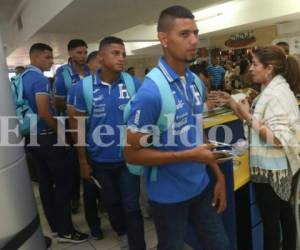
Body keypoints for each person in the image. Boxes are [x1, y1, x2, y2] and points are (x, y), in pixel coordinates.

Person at [124, 6, 230, 250]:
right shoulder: (150, 93)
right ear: (163, 39)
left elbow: (197, 130)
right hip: (167, 197)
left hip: (201, 187)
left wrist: (218, 175)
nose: (194, 41)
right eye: (184, 34)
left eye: (195, 33)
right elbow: (131, 153)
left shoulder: (194, 81)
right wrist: (188, 156)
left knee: (221, 245)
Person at [217, 45, 300, 250]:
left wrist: (246, 115)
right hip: (275, 167)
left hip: (272, 170)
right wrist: (233, 104)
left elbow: (277, 138)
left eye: (255, 64)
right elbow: (255, 123)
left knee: (273, 225)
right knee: (284, 217)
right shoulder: (272, 89)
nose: (251, 68)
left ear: (269, 68)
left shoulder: (275, 94)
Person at [75, 36, 146, 250]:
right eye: (116, 53)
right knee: (112, 204)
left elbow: (146, 115)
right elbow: (77, 127)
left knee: (132, 206)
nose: (122, 58)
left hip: (128, 159)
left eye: (124, 54)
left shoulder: (133, 83)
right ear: (101, 56)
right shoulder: (83, 87)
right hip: (100, 161)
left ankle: (137, 245)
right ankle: (122, 233)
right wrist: (83, 162)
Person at [23, 43, 88, 243]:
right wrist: (62, 135)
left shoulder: (21, 78)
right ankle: (66, 230)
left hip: (31, 136)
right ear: (34, 58)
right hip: (47, 137)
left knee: (45, 184)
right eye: (47, 58)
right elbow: (44, 112)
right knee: (63, 185)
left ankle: (55, 227)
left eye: (51, 57)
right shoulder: (39, 80)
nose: (51, 61)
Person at [54, 39, 89, 214]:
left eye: (85, 52)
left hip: (91, 125)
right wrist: (74, 106)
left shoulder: (92, 71)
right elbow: (59, 105)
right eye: (78, 53)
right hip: (69, 123)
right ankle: (75, 197)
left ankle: (98, 197)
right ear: (70, 54)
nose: (83, 56)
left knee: (91, 159)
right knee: (74, 164)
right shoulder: (63, 74)